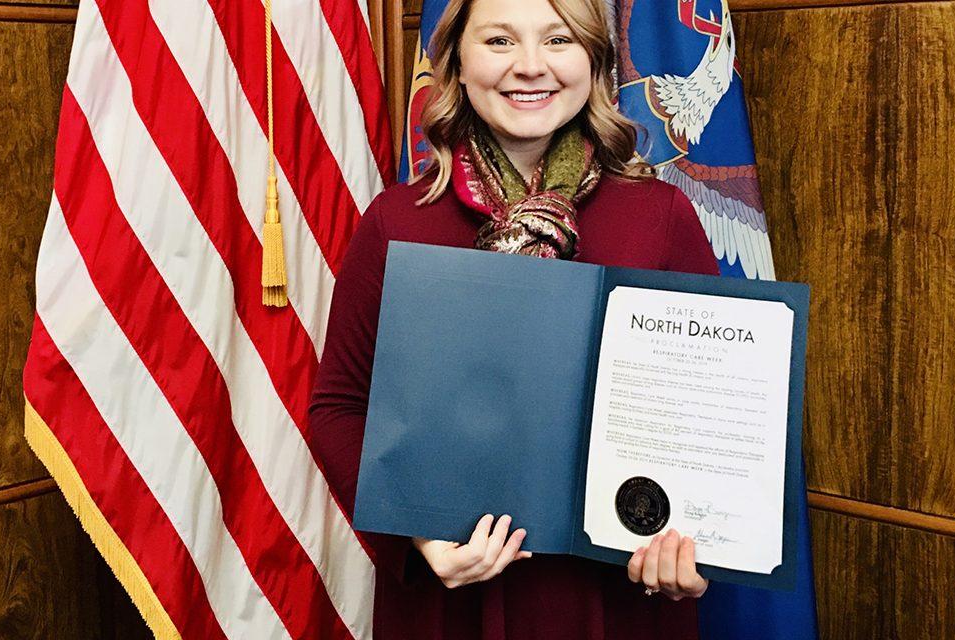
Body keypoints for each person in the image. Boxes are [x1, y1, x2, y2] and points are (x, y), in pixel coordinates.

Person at [307, 0, 720, 636]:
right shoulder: (398, 222)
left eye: (558, 40)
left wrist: (701, 543)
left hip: (615, 601)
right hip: (455, 598)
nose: (531, 67)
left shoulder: (660, 218)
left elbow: (707, 419)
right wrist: (415, 534)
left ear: (593, 59)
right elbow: (337, 408)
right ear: (457, 64)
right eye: (499, 41)